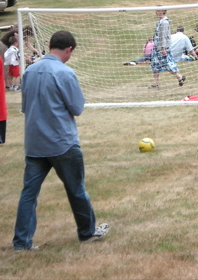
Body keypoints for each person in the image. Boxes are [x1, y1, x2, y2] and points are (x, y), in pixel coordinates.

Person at [13, 30, 110, 250]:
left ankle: (21, 242)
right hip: (61, 143)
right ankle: (87, 231)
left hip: (35, 143)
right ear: (69, 49)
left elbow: (25, 107)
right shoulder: (65, 73)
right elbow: (76, 107)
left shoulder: (29, 71)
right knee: (76, 190)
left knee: (29, 194)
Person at [150, 9, 185, 88]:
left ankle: (179, 77)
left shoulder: (164, 22)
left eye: (159, 11)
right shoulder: (159, 22)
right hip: (157, 47)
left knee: (167, 64)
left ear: (163, 12)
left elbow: (163, 36)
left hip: (162, 47)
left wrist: (163, 48)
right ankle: (155, 83)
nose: (157, 12)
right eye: (157, 11)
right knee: (155, 65)